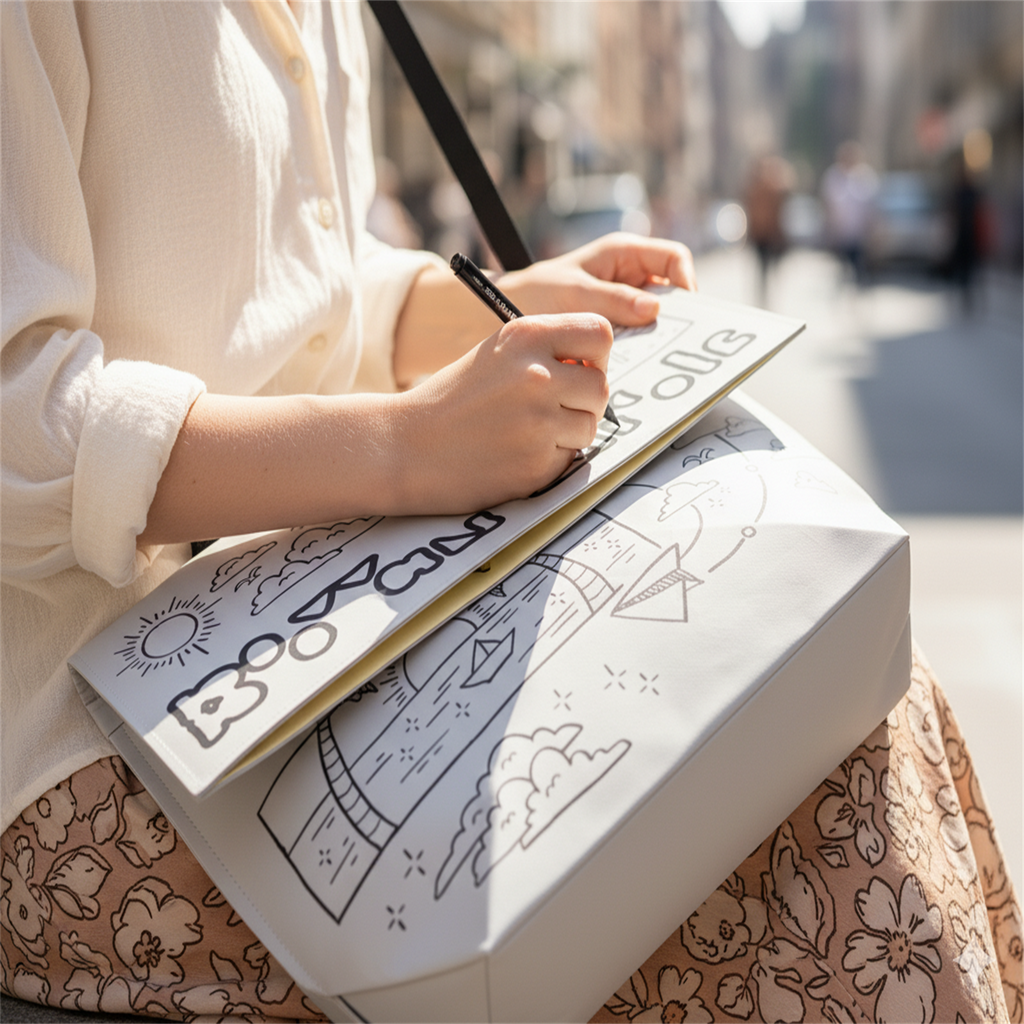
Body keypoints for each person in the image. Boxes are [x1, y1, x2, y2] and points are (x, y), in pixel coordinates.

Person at [1, 3, 1018, 1022]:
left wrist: (513, 301)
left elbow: (305, 294)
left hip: (321, 614)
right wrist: (405, 448)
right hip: (80, 734)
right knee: (769, 836)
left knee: (846, 688)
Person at [821, 140, 878, 286]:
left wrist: (872, 233)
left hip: (859, 234)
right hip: (840, 234)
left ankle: (858, 300)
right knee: (841, 271)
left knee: (859, 271)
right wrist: (829, 231)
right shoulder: (833, 177)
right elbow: (828, 206)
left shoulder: (865, 177)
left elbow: (871, 208)